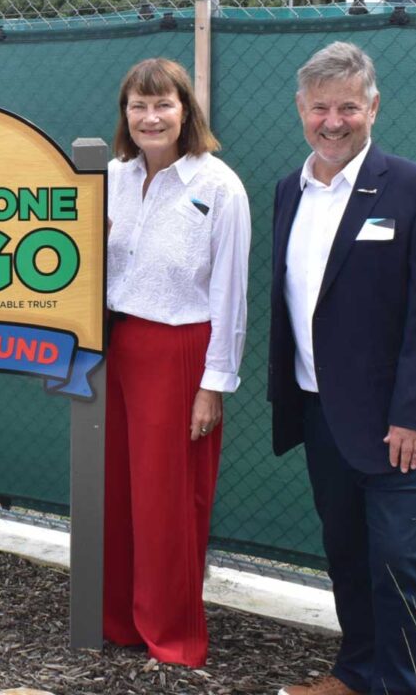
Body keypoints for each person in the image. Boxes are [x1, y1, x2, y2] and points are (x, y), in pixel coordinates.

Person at [269, 42, 416, 695]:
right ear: (301, 110)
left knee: (400, 567)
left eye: (348, 106)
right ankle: (354, 675)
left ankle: (404, 686)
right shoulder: (286, 192)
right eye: (320, 107)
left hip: (397, 427)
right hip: (321, 413)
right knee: (348, 557)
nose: (333, 120)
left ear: (373, 107)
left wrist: (415, 416)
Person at [102, 58, 251, 667]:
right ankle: (119, 620)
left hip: (180, 350)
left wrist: (212, 384)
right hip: (115, 344)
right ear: (125, 115)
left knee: (169, 499)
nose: (150, 117)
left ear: (186, 111)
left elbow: (230, 293)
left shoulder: (218, 186)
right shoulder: (108, 175)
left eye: (163, 104)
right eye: (138, 105)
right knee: (116, 491)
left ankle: (172, 634)